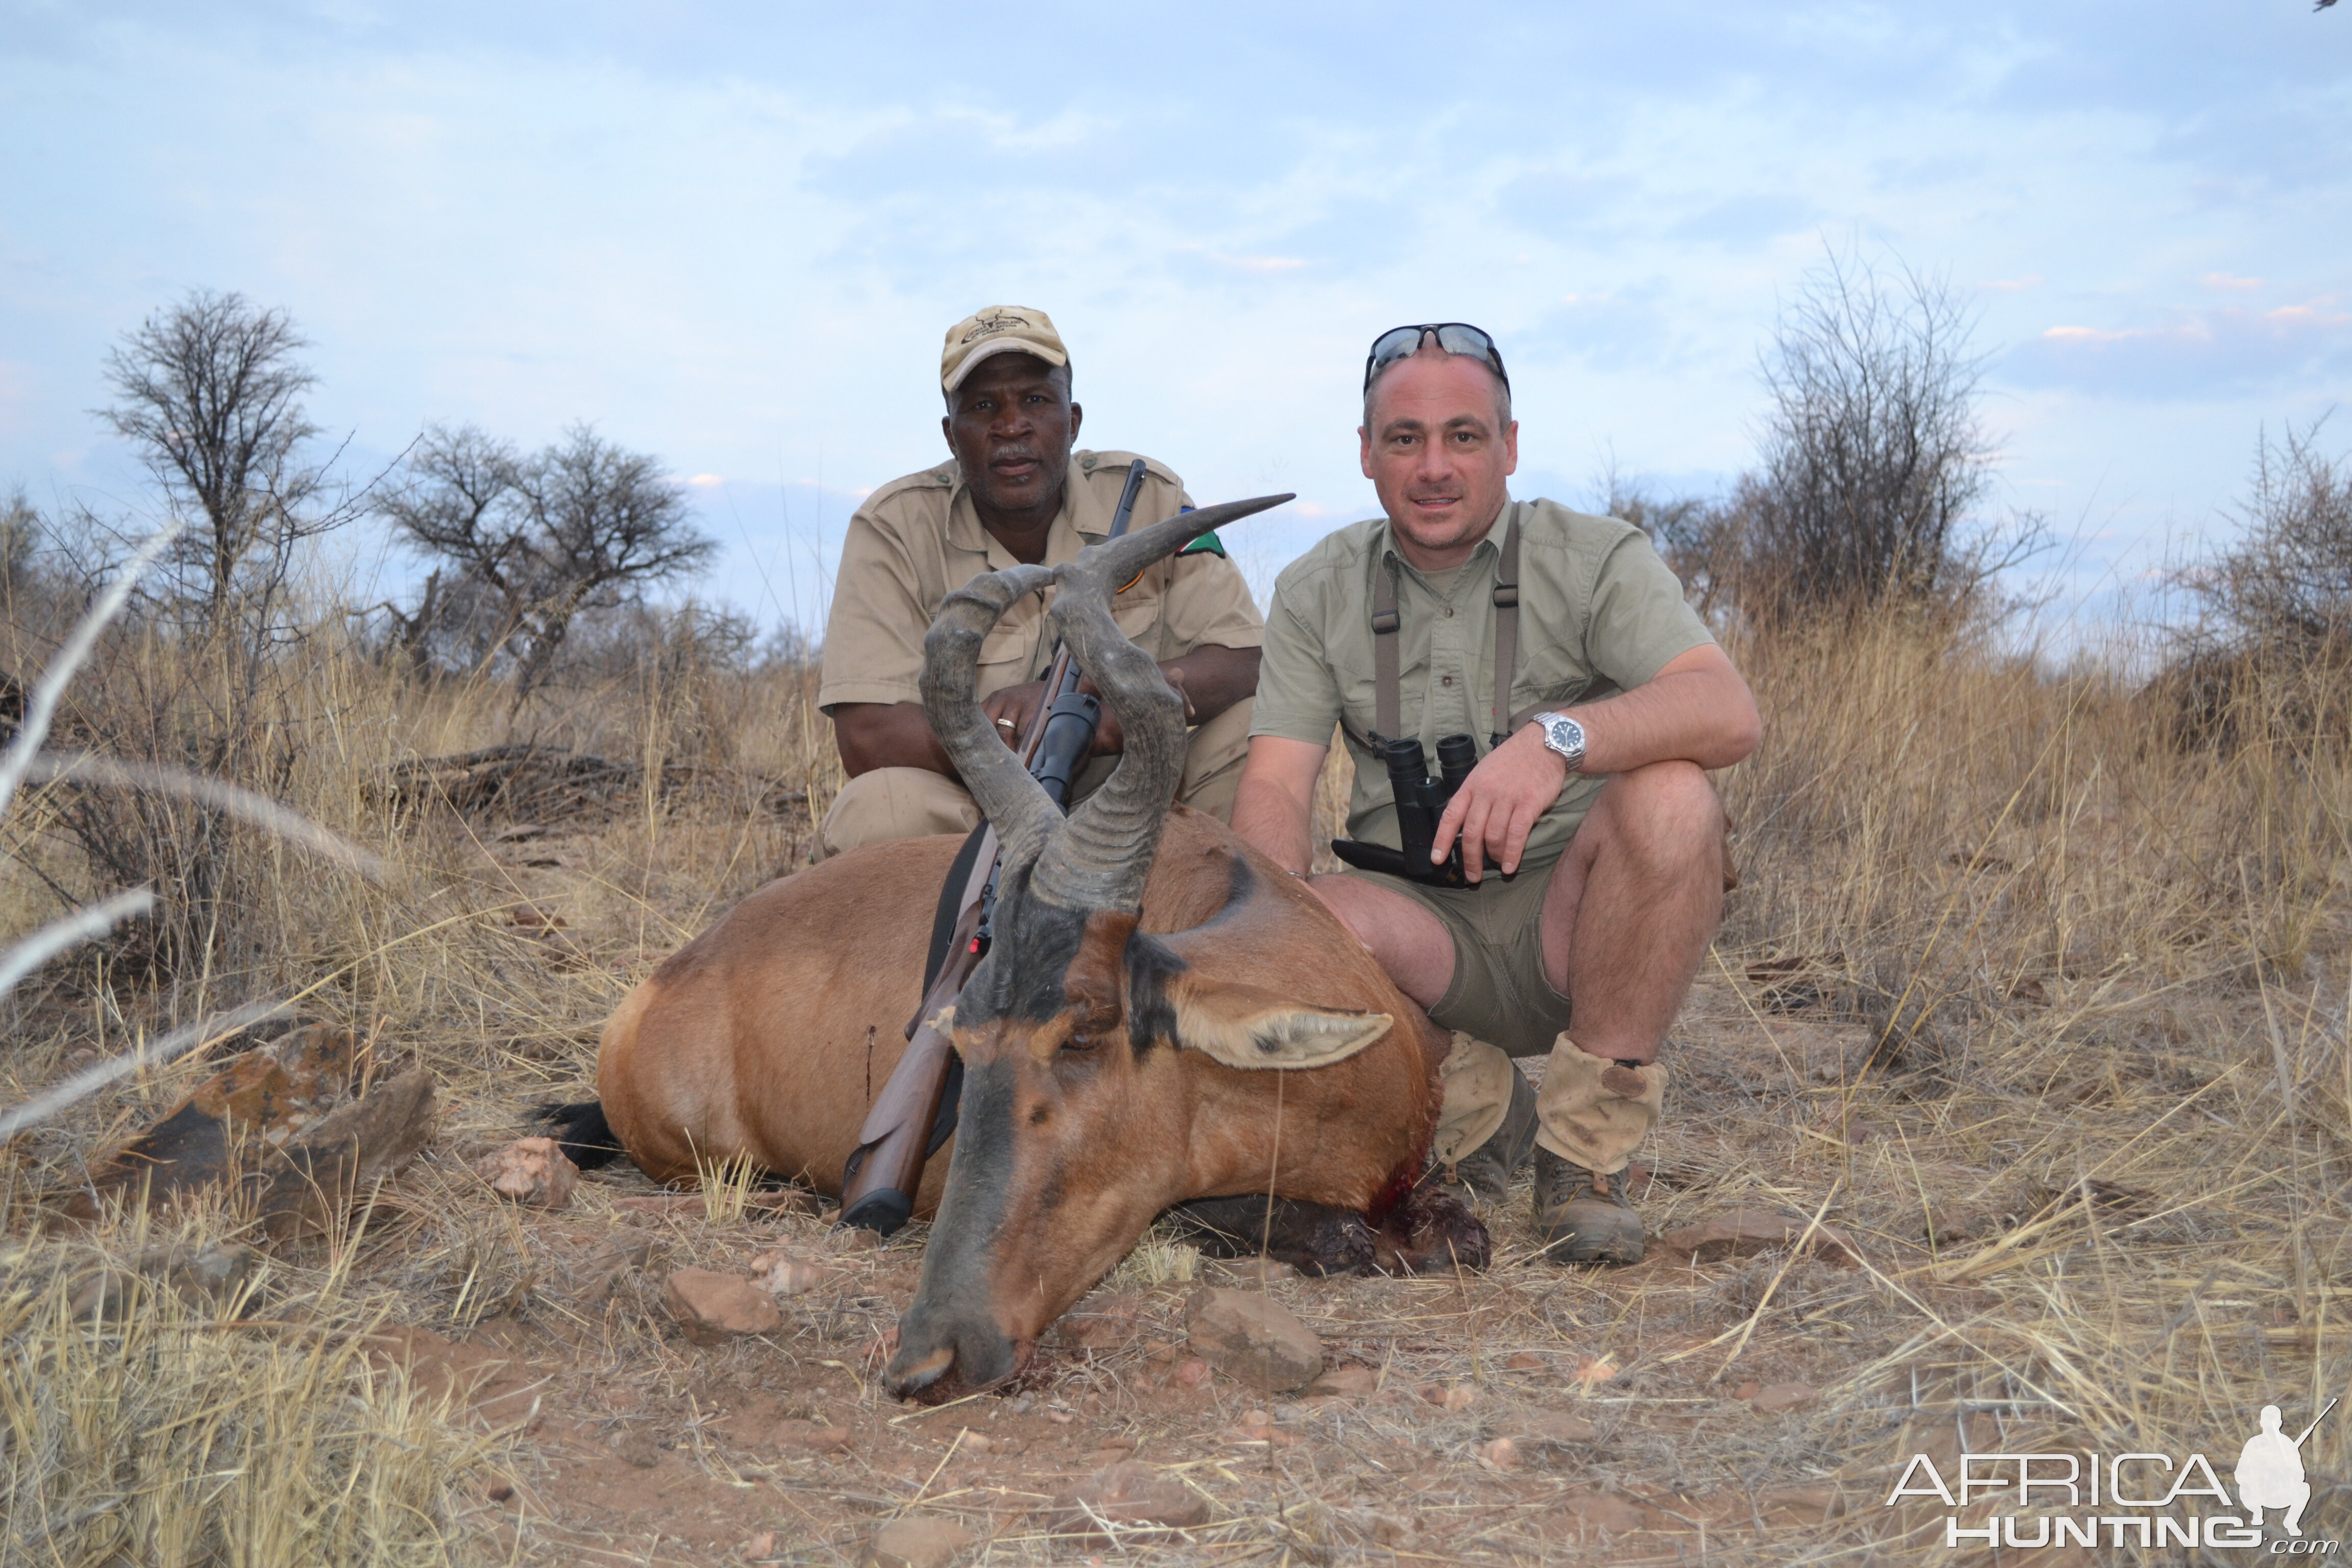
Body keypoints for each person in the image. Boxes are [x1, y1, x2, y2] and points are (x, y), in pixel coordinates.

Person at [1230, 323, 1761, 1264]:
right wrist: (1263, 944)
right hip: (1419, 937)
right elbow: (1274, 784)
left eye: (1463, 437)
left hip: (1573, 924)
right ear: (1365, 455)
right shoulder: (1317, 588)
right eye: (1404, 440)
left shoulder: (1592, 556)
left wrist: (1558, 741)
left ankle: (1584, 1160)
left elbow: (1726, 710)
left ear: (1508, 447)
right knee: (1304, 910)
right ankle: (1472, 1110)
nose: (1434, 467)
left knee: (1674, 798)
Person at [816, 306, 1264, 855]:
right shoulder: (893, 526)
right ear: (951, 435)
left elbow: (1247, 661)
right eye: (983, 406)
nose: (1011, 426)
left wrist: (1107, 707)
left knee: (1254, 734)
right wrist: (1004, 734)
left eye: (1034, 400)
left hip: (1134, 801)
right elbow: (867, 736)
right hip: (976, 809)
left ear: (1072, 421)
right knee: (877, 808)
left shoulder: (1151, 497)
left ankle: (1222, 939)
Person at [2236, 1404, 2314, 1536]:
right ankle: (2257, 1513)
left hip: (2282, 1494)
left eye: (2273, 1421)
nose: (2270, 1425)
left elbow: (2300, 1474)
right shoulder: (2253, 1444)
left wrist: (2286, 1473)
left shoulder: (2288, 1445)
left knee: (2304, 1488)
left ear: (2280, 1423)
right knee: (2244, 1488)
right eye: (2267, 1421)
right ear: (2261, 1423)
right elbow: (2240, 1474)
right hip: (2259, 1494)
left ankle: (2291, 1522)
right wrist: (2258, 1475)